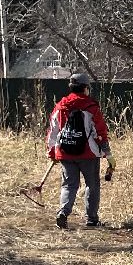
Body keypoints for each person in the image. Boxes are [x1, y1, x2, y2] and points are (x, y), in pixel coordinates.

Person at [46, 72, 114, 229]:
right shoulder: (91, 107)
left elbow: (53, 131)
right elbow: (100, 132)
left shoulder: (60, 106)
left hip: (65, 152)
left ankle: (63, 213)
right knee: (92, 185)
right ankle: (92, 219)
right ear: (85, 88)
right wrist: (108, 154)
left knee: (69, 185)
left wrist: (52, 152)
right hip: (88, 154)